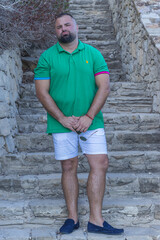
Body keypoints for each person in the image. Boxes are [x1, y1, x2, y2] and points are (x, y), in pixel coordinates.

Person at [34, 12, 124, 235]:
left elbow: (104, 87)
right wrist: (62, 118)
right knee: (68, 167)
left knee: (100, 163)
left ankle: (96, 221)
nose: (63, 29)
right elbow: (41, 92)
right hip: (61, 123)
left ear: (76, 27)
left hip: (91, 122)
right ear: (55, 32)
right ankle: (72, 218)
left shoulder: (93, 54)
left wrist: (89, 116)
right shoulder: (47, 57)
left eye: (67, 25)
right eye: (58, 27)